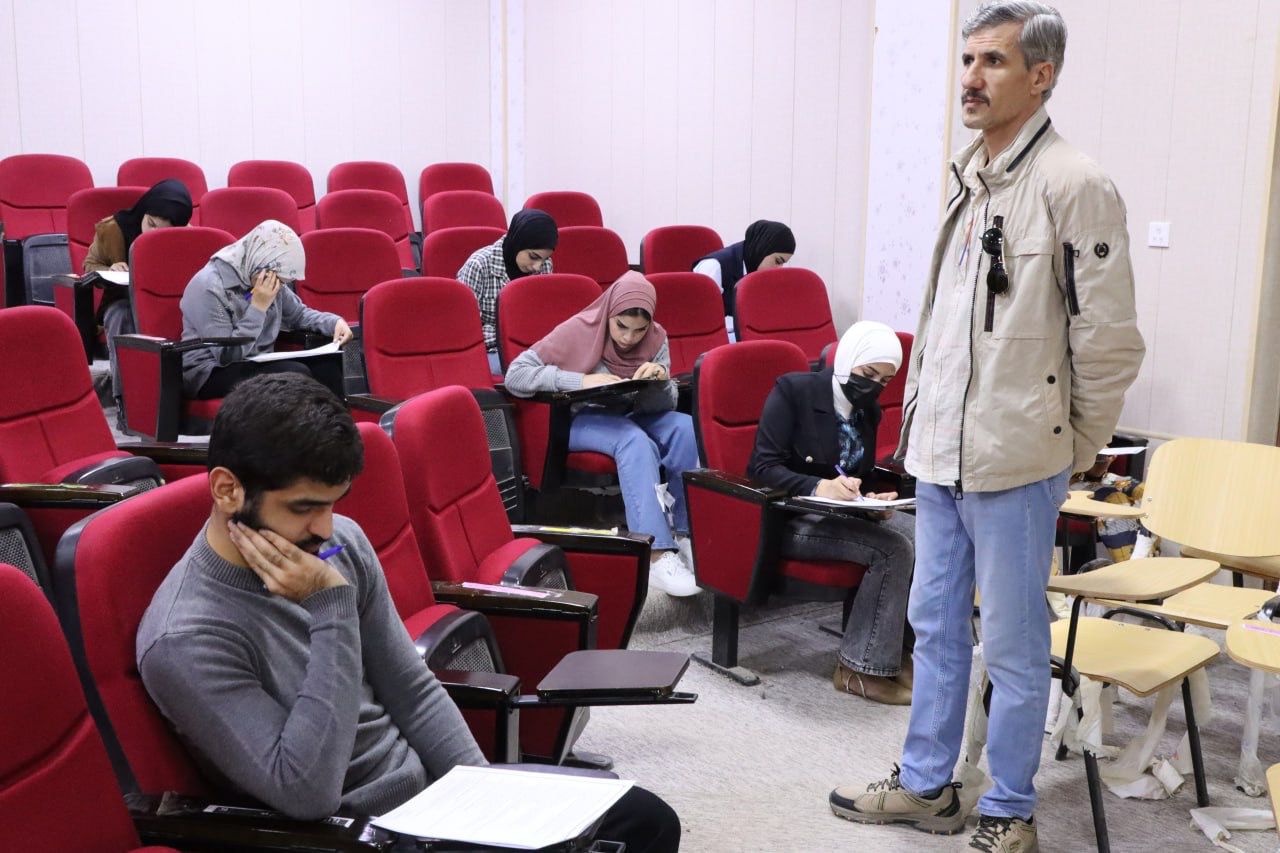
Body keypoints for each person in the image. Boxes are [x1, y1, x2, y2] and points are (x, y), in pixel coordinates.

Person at [830, 4, 1144, 851]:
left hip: (1018, 459)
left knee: (1010, 642)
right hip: (940, 457)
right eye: (967, 59)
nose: (970, 77)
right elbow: (943, 330)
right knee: (934, 629)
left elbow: (1110, 344)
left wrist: (1069, 446)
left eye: (993, 61)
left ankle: (1009, 806)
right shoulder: (970, 178)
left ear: (1041, 76)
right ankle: (928, 783)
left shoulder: (1075, 184)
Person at [136, 373, 680, 852]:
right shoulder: (185, 636)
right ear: (227, 490)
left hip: (429, 806)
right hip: (353, 834)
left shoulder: (337, 544)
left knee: (645, 819)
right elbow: (307, 792)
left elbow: (412, 690)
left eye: (332, 504)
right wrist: (331, 611)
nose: (325, 529)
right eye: (304, 508)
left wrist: (486, 794)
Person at [504, 271, 700, 598]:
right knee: (634, 441)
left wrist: (659, 380)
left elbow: (663, 405)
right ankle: (654, 554)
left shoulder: (656, 338)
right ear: (609, 313)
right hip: (578, 419)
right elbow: (516, 375)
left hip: (631, 413)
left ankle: (685, 534)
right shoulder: (579, 329)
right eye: (621, 326)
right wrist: (579, 381)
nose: (629, 338)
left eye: (639, 330)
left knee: (684, 429)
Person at [748, 321, 914, 705]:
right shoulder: (793, 392)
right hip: (791, 518)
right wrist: (818, 486)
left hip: (842, 517)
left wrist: (872, 498)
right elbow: (761, 468)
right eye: (867, 373)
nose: (873, 386)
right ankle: (858, 670)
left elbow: (859, 474)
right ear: (847, 358)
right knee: (892, 549)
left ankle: (895, 652)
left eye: (884, 381)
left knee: (923, 535)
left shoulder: (867, 411)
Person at [179, 219, 352, 400]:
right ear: (260, 262)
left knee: (327, 367)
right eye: (279, 280)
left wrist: (334, 322)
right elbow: (226, 355)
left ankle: (334, 419)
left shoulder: (268, 278)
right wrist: (258, 307)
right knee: (294, 373)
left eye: (283, 282)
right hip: (210, 371)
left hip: (258, 361)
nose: (278, 286)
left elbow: (298, 314)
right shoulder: (208, 286)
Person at [83, 179, 194, 428]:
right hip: (124, 301)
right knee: (119, 315)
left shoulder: (186, 235)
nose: (152, 234)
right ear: (144, 210)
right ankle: (126, 402)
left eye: (162, 231)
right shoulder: (112, 230)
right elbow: (89, 266)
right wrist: (110, 267)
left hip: (169, 304)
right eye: (150, 224)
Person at [456, 208, 558, 373]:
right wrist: (510, 337)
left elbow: (543, 316)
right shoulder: (479, 265)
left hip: (533, 348)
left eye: (544, 259)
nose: (537, 266)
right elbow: (465, 329)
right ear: (518, 242)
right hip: (492, 350)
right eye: (533, 257)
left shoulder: (545, 265)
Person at [692, 219, 795, 332]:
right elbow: (702, 320)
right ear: (762, 249)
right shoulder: (713, 266)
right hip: (717, 337)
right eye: (778, 261)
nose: (779, 269)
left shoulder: (758, 270)